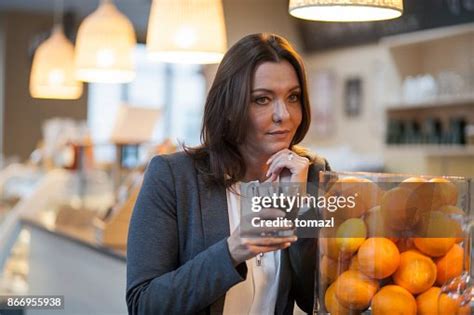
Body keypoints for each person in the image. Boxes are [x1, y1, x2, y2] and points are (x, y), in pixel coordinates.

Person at [126, 33, 331, 315]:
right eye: (262, 99)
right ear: (230, 107)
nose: (283, 114)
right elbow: (144, 305)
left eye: (293, 97)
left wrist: (300, 210)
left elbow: (318, 300)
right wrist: (232, 250)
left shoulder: (312, 173)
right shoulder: (173, 177)